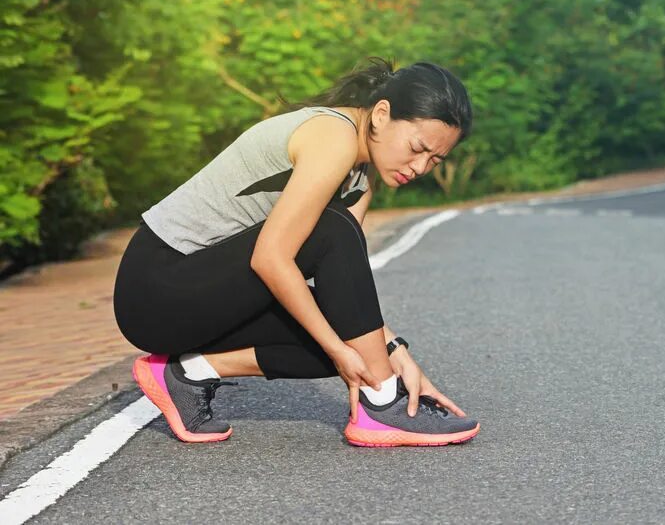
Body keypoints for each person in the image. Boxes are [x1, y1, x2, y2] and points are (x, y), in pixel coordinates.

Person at [112, 56, 480, 447]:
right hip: (158, 288)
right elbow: (271, 258)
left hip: (208, 292)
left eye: (435, 159)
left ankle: (187, 373)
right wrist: (343, 351)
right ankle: (382, 405)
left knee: (355, 337)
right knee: (339, 291)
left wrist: (393, 351)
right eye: (417, 148)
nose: (421, 166)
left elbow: (346, 289)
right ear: (381, 115)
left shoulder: (361, 176)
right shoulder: (331, 136)